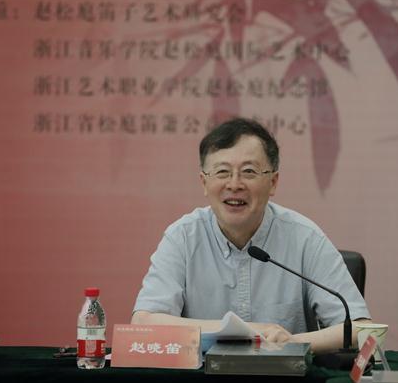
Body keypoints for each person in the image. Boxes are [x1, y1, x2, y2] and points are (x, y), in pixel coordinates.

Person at [132, 117, 371, 354]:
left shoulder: (305, 239)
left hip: (283, 376)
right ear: (204, 183)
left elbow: (363, 329)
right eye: (222, 172)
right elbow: (144, 322)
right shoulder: (182, 238)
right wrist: (246, 331)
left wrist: (292, 342)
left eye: (248, 171)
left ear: (273, 182)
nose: (234, 184)